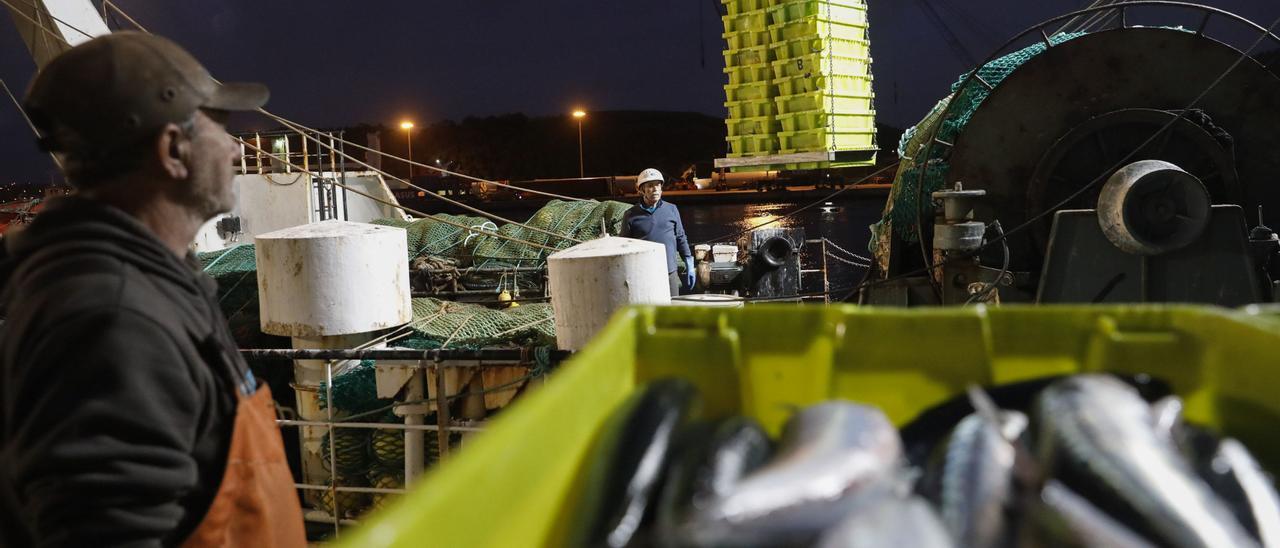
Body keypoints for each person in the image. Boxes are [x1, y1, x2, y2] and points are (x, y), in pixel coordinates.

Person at [0, 32, 305, 547]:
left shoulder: (142, 283)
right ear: (172, 149)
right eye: (220, 123)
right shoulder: (111, 320)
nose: (236, 146)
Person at [620, 168, 694, 296]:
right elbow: (624, 245)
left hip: (669, 272)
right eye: (650, 186)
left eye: (658, 185)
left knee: (672, 309)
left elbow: (681, 237)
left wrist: (689, 261)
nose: (655, 189)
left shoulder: (671, 209)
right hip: (644, 273)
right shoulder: (630, 215)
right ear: (641, 190)